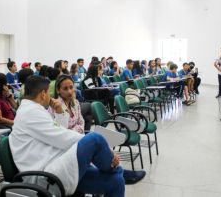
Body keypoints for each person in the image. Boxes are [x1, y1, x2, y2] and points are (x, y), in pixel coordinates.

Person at [9, 76, 145, 197]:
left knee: (116, 181)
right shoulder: (31, 112)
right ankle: (120, 171)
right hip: (47, 175)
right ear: (43, 94)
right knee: (95, 138)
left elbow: (59, 132)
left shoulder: (32, 110)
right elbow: (61, 136)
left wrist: (60, 113)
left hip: (57, 163)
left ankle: (120, 174)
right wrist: (104, 149)